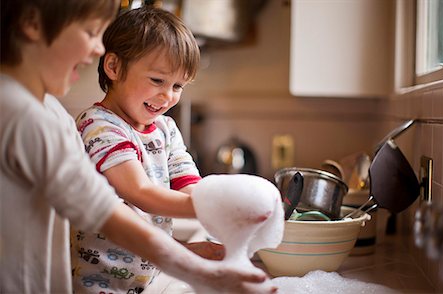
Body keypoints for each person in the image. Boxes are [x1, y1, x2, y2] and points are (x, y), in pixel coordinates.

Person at [0, 1, 277, 293]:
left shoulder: (48, 111)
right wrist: (216, 213)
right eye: (91, 31)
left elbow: (185, 188)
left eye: (178, 86)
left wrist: (213, 214)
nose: (97, 48)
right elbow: (112, 206)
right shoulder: (35, 116)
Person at [70, 7, 219, 292]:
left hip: (148, 278)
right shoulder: (98, 125)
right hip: (100, 284)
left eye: (178, 86)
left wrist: (219, 203)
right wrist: (212, 208)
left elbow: (188, 184)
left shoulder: (166, 129)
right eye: (157, 80)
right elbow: (138, 191)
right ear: (113, 67)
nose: (168, 96)